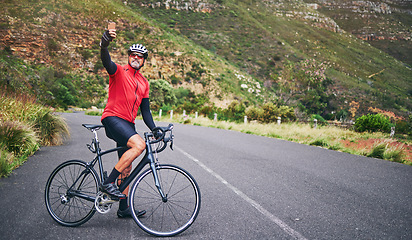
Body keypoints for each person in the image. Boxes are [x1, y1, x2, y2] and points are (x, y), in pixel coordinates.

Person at [99, 28, 156, 218]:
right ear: (129, 57)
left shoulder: (144, 83)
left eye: (140, 57)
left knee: (127, 167)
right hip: (113, 118)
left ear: (144, 61)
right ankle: (109, 182)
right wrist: (104, 45)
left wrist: (155, 129)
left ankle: (123, 209)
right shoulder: (119, 71)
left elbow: (145, 112)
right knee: (139, 145)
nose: (136, 58)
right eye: (133, 55)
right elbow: (106, 61)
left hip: (128, 124)